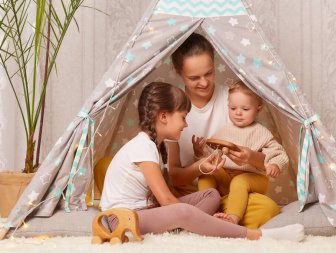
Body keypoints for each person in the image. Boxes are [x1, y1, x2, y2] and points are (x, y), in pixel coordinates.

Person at [100, 82, 305, 241]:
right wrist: (191, 215)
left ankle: (194, 225)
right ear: (163, 116)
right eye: (182, 117)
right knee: (180, 210)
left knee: (210, 194)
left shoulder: (152, 145)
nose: (186, 124)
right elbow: (167, 202)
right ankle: (255, 235)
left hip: (145, 212)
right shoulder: (142, 146)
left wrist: (201, 167)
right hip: (120, 219)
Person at [166, 33, 280, 228]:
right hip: (191, 194)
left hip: (231, 193)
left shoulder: (235, 101)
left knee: (268, 209)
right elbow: (175, 177)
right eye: (194, 78)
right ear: (179, 73)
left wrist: (250, 157)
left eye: (209, 73)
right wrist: (201, 166)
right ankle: (207, 216)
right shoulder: (172, 109)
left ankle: (209, 219)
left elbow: (267, 161)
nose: (204, 82)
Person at [194, 80, 289, 225]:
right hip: (226, 179)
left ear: (258, 109)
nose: (238, 113)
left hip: (253, 179)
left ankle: (233, 219)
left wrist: (275, 164)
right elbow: (211, 154)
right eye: (233, 108)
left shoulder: (261, 132)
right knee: (206, 174)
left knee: (241, 182)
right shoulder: (223, 130)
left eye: (245, 109)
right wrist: (200, 151)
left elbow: (279, 153)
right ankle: (206, 211)